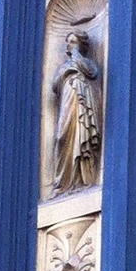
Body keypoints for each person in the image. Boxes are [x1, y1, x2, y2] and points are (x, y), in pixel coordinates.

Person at [51, 29, 103, 194]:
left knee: (82, 136)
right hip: (68, 100)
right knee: (61, 136)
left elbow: (92, 72)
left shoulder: (85, 62)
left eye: (73, 42)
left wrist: (76, 57)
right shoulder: (64, 66)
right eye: (68, 42)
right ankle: (63, 182)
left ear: (81, 45)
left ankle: (81, 179)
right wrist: (67, 71)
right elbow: (54, 85)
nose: (69, 45)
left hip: (81, 102)